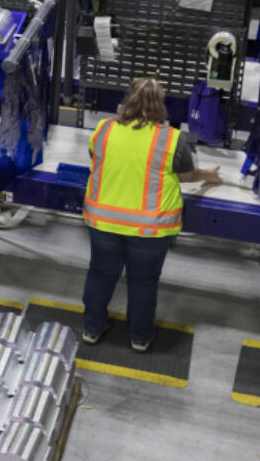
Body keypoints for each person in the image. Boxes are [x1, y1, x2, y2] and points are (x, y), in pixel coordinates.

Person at [81, 78, 221, 351]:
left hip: (103, 222)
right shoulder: (171, 139)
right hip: (149, 230)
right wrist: (209, 176)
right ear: (160, 106)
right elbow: (186, 175)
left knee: (100, 275)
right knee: (143, 282)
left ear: (127, 100)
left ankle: (91, 329)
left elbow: (97, 158)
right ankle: (140, 338)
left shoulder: (103, 130)